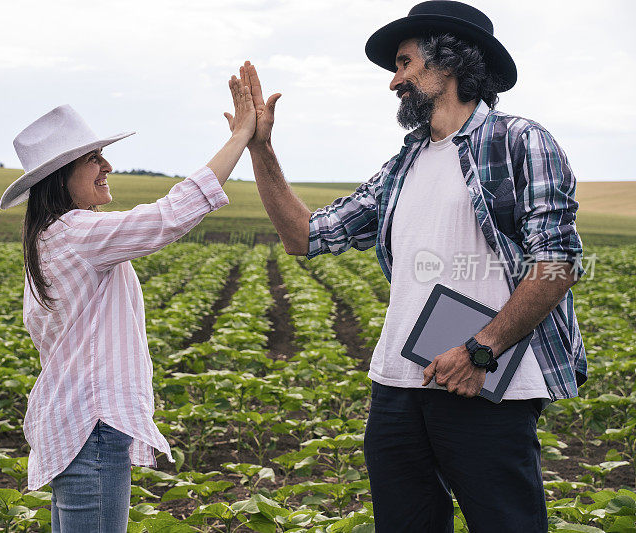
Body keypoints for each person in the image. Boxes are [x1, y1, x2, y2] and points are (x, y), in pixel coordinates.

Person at [240, 1, 586, 531]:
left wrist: (481, 350)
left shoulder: (519, 142)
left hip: (483, 384)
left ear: (447, 62)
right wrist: (261, 149)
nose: (394, 80)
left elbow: (556, 263)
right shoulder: (403, 164)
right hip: (397, 386)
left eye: (403, 63)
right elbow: (305, 237)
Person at [0, 71, 256, 531]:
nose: (108, 166)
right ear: (61, 175)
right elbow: (170, 215)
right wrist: (241, 136)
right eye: (94, 158)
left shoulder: (47, 239)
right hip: (90, 429)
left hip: (74, 427)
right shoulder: (76, 234)